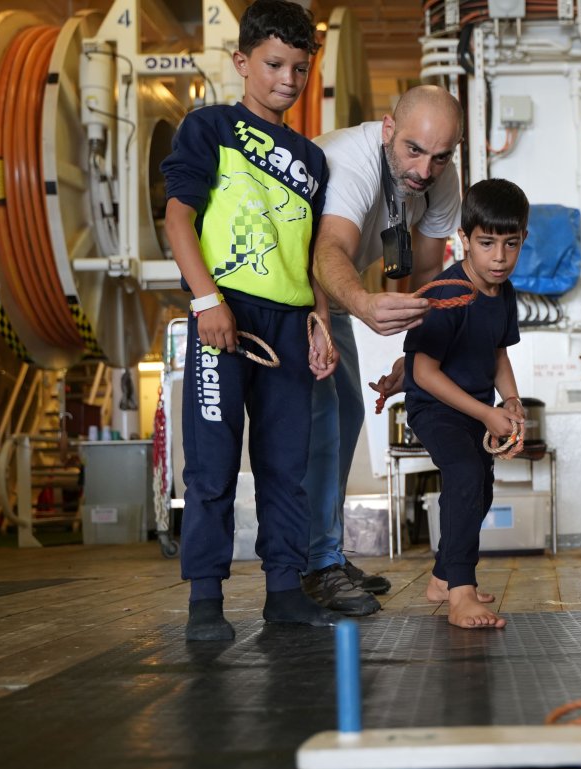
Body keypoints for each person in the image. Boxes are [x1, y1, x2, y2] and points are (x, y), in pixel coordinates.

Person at [162, 0, 338, 641]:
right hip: (224, 316)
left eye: (298, 67)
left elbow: (312, 252)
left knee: (286, 466)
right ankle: (205, 599)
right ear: (242, 62)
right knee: (210, 466)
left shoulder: (313, 162)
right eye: (272, 64)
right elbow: (179, 217)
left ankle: (284, 591)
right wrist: (207, 301)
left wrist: (320, 322)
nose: (286, 80)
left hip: (290, 326)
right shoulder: (209, 127)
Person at [303, 86, 466, 615]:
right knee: (321, 419)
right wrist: (365, 305)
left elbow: (425, 276)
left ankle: (326, 551)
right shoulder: (349, 161)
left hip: (334, 290)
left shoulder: (439, 179)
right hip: (293, 284)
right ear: (388, 130)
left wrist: (413, 355)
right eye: (414, 151)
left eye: (441, 156)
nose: (424, 169)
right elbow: (328, 251)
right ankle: (314, 564)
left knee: (348, 414)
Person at [402, 179, 530, 629]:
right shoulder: (446, 293)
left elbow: (498, 354)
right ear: (464, 240)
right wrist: (485, 413)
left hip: (475, 409)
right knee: (464, 474)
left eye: (510, 244)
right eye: (487, 243)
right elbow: (422, 372)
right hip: (434, 407)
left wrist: (509, 400)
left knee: (481, 488)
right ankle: (461, 593)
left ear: (522, 241)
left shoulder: (504, 292)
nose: (499, 257)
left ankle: (443, 577)